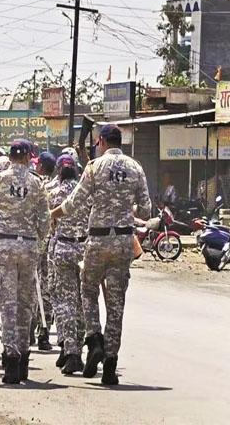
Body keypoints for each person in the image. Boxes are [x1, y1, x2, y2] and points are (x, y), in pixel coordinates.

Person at [51, 124, 151, 385]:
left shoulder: (95, 167)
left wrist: (52, 215)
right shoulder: (135, 167)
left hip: (96, 239)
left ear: (104, 141)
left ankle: (94, 338)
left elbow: (73, 204)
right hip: (122, 241)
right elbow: (147, 208)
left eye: (97, 143)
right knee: (116, 303)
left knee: (88, 290)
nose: (97, 146)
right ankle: (110, 361)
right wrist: (127, 211)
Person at [0, 139, 50, 384]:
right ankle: (24, 358)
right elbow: (45, 219)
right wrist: (39, 242)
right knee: (24, 303)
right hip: (28, 245)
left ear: (9, 157)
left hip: (5, 245)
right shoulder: (37, 183)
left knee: (7, 304)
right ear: (29, 157)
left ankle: (10, 358)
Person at [48, 155, 89, 375]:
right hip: (84, 249)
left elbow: (49, 225)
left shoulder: (53, 194)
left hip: (62, 249)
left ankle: (70, 350)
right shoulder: (86, 194)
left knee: (65, 302)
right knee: (83, 302)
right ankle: (78, 352)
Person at [33, 151, 57, 351]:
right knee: (46, 287)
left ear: (40, 166)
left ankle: (30, 328)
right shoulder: (57, 186)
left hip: (36, 241)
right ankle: (44, 331)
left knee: (32, 286)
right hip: (53, 242)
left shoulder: (38, 186)